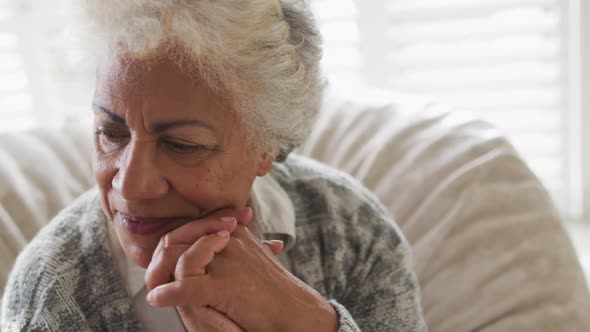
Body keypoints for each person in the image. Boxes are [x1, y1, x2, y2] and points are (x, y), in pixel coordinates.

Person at [1, 0, 427, 331]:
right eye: (111, 133)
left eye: (182, 145)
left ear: (267, 147)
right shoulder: (52, 294)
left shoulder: (353, 232)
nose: (130, 186)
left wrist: (307, 320)